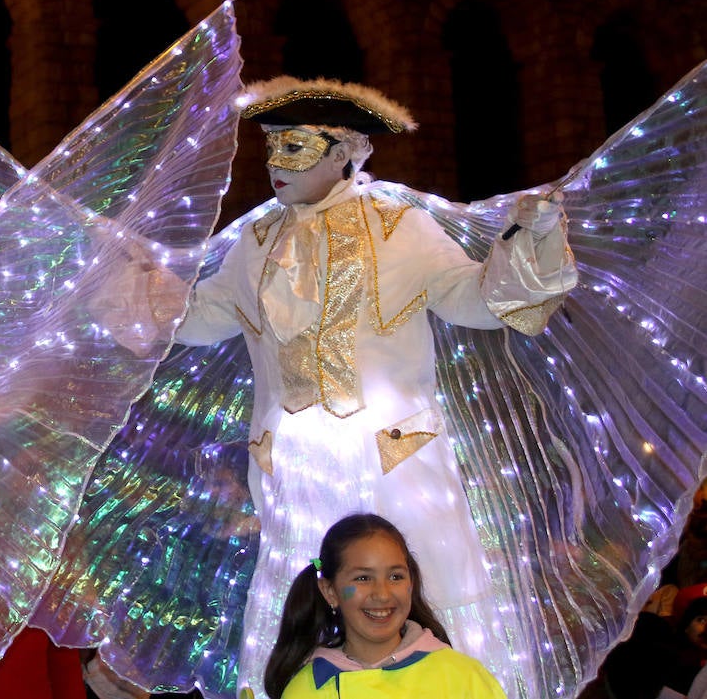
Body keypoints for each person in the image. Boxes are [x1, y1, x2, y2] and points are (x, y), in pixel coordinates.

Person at [172, 76, 578, 696]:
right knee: (304, 607)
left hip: (393, 460)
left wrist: (535, 240)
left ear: (343, 153)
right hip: (296, 466)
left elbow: (481, 300)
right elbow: (198, 318)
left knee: (423, 596)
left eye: (296, 147)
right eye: (271, 146)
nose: (276, 163)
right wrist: (117, 277)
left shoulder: (400, 228)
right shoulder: (255, 243)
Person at [264, 513, 506, 698]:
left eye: (395, 577)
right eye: (363, 578)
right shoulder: (306, 689)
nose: (382, 594)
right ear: (330, 591)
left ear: (411, 582)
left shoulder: (463, 679)